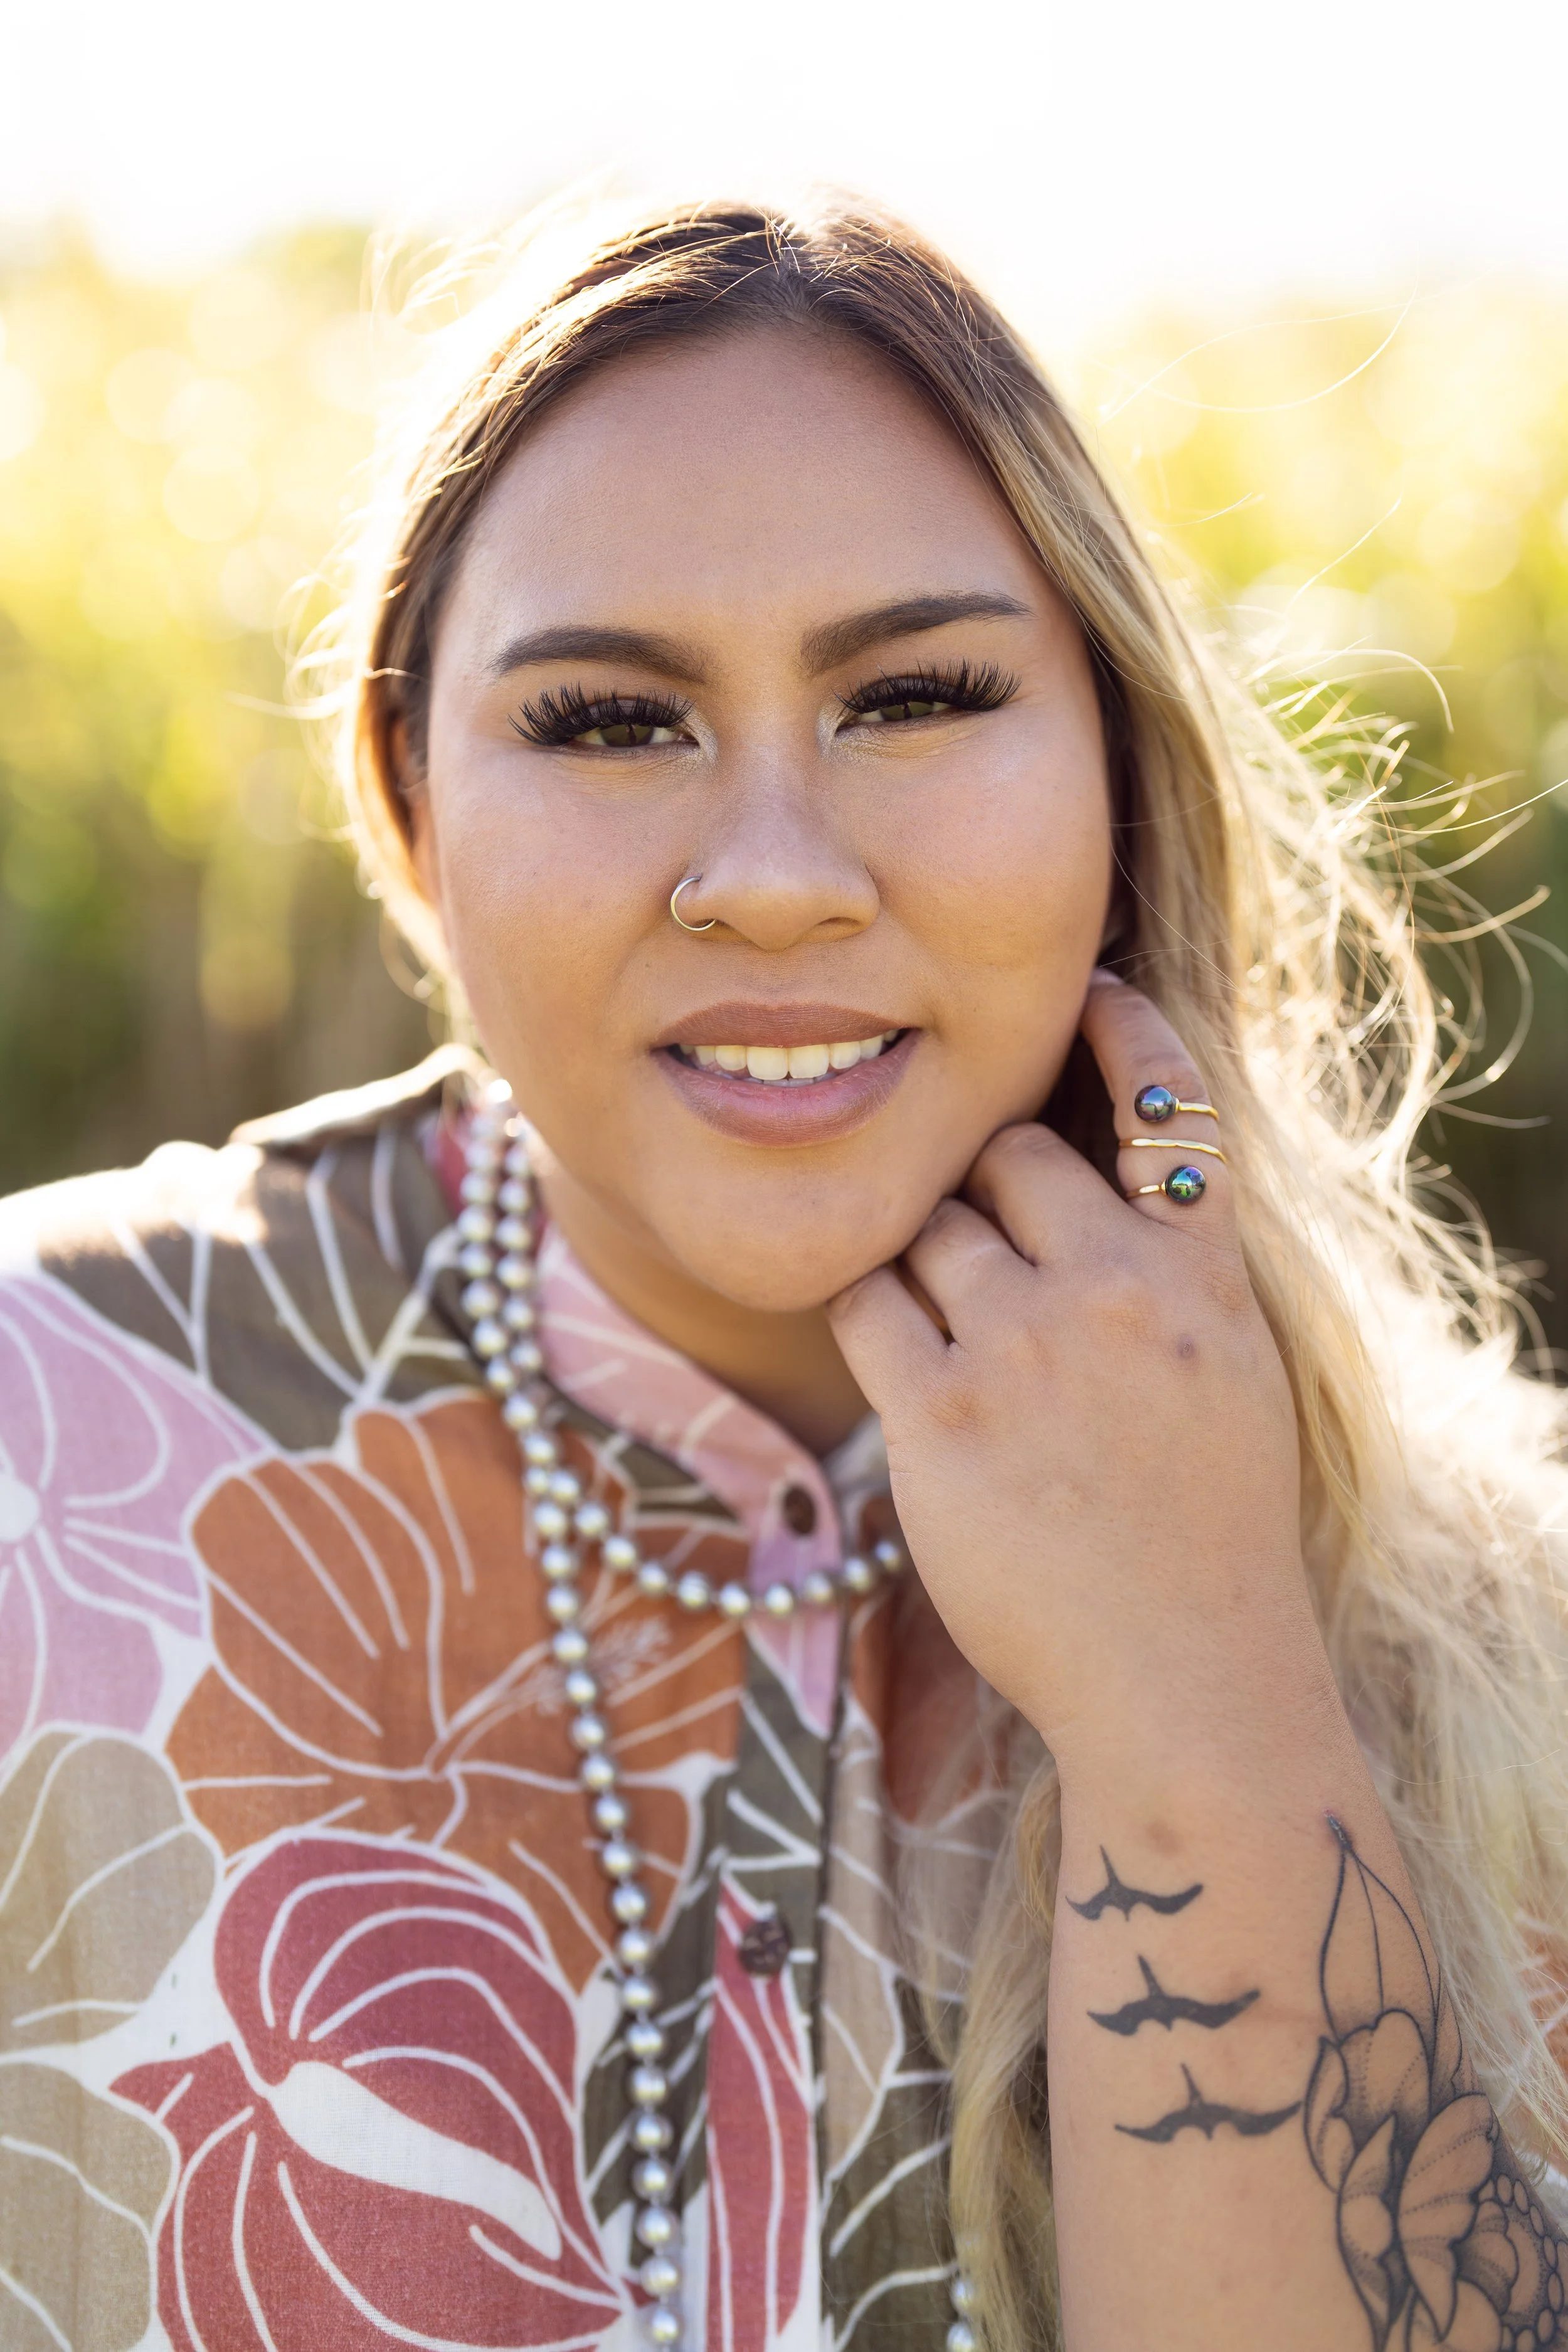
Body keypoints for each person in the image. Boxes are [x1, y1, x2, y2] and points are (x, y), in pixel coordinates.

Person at [3, 199, 1565, 2352]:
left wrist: (1199, 1690)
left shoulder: (1502, 1626)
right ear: (408, 803)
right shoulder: (39, 1445)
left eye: (912, 697)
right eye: (606, 720)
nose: (766, 881)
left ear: (1116, 778)